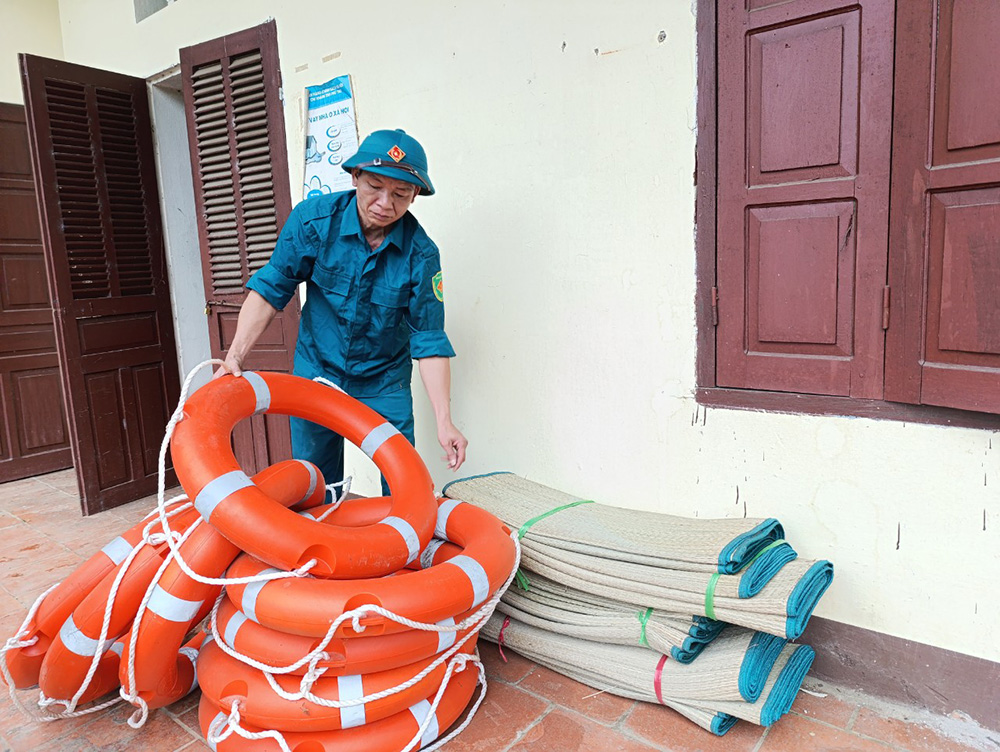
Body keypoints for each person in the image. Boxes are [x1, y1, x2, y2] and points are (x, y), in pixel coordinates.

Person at [214, 128, 467, 495]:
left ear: (415, 196)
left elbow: (428, 340)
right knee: (315, 481)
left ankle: (402, 547)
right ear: (354, 177)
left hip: (384, 381)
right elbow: (272, 288)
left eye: (400, 194)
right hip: (317, 370)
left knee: (402, 481)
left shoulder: (421, 254)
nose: (385, 202)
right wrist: (233, 356)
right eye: (374, 186)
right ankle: (323, 542)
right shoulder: (314, 222)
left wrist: (445, 422)